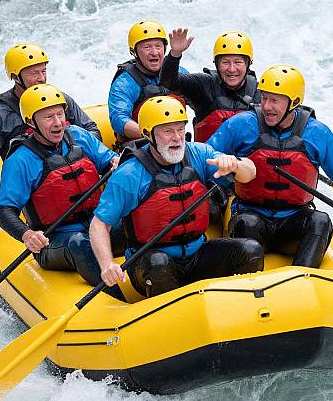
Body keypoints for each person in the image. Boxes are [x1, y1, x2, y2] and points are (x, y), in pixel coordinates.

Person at [89, 96, 264, 298]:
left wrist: (236, 164)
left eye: (180, 129)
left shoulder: (199, 154)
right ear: (148, 134)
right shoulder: (129, 174)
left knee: (250, 250)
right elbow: (99, 225)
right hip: (150, 262)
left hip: (197, 254)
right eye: (168, 131)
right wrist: (107, 264)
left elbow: (250, 173)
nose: (177, 138)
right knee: (158, 264)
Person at [208, 64, 333, 269]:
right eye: (264, 98)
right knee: (247, 223)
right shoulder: (242, 124)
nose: (267, 106)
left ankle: (304, 278)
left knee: (320, 221)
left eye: (274, 100)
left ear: (294, 102)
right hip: (252, 217)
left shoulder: (316, 132)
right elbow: (204, 155)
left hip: (294, 220)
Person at [0, 83, 124, 299]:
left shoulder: (79, 136)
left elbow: (107, 161)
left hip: (98, 228)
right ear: (30, 122)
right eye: (48, 117)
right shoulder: (20, 160)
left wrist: (116, 162)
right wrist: (27, 235)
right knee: (79, 243)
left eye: (60, 114)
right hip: (56, 241)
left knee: (138, 219)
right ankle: (120, 303)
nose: (57, 123)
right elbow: (4, 211)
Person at [0, 43, 101, 210]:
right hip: (34, 191)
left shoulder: (57, 100)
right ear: (16, 77)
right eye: (34, 73)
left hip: (70, 176)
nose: (41, 78)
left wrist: (72, 158)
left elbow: (91, 130)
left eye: (43, 71)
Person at [160, 28, 261, 143]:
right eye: (225, 62)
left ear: (248, 64)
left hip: (245, 160)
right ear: (216, 64)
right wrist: (175, 54)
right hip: (207, 159)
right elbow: (169, 82)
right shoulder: (204, 85)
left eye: (238, 62)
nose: (232, 69)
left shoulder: (260, 93)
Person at [108, 20, 188, 144]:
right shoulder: (125, 82)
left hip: (176, 142)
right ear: (135, 52)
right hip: (141, 146)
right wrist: (154, 137)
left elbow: (201, 102)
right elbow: (119, 120)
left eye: (158, 46)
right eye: (147, 47)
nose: (154, 52)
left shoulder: (179, 73)